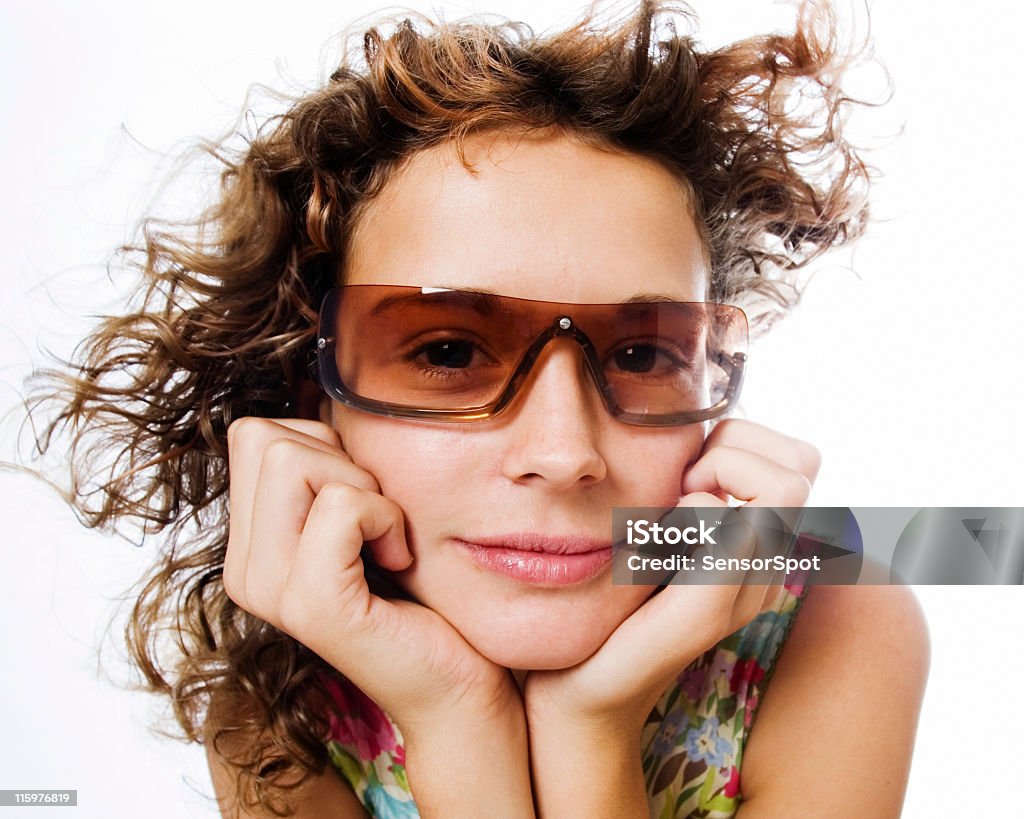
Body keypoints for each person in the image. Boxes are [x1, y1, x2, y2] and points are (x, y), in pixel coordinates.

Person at [32, 1, 928, 816]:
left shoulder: (835, 621)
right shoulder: (281, 708)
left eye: (643, 352)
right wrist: (454, 715)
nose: (563, 451)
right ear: (316, 397)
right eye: (448, 351)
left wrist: (592, 729)